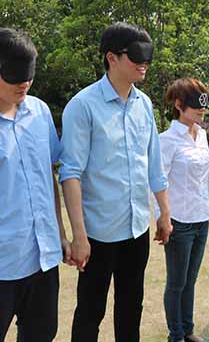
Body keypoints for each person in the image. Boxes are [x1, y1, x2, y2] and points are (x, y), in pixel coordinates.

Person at [60, 22, 173, 342]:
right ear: (112, 57)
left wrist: (164, 212)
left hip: (137, 228)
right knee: (90, 311)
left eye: (147, 55)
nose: (144, 62)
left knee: (131, 308)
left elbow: (154, 163)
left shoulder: (144, 104)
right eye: (136, 55)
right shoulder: (82, 106)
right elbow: (70, 173)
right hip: (98, 232)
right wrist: (79, 235)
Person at [0, 28, 69, 342]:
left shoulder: (39, 112)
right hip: (4, 262)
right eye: (15, 77)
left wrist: (61, 234)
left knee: (42, 334)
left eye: (28, 77)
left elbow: (47, 177)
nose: (23, 85)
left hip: (42, 258)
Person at [158, 78, 209, 342]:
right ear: (179, 105)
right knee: (176, 283)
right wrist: (162, 218)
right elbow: (157, 182)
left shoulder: (201, 135)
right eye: (196, 104)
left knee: (190, 280)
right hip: (179, 221)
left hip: (201, 218)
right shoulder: (166, 141)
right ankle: (175, 335)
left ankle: (188, 331)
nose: (202, 109)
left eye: (204, 104)